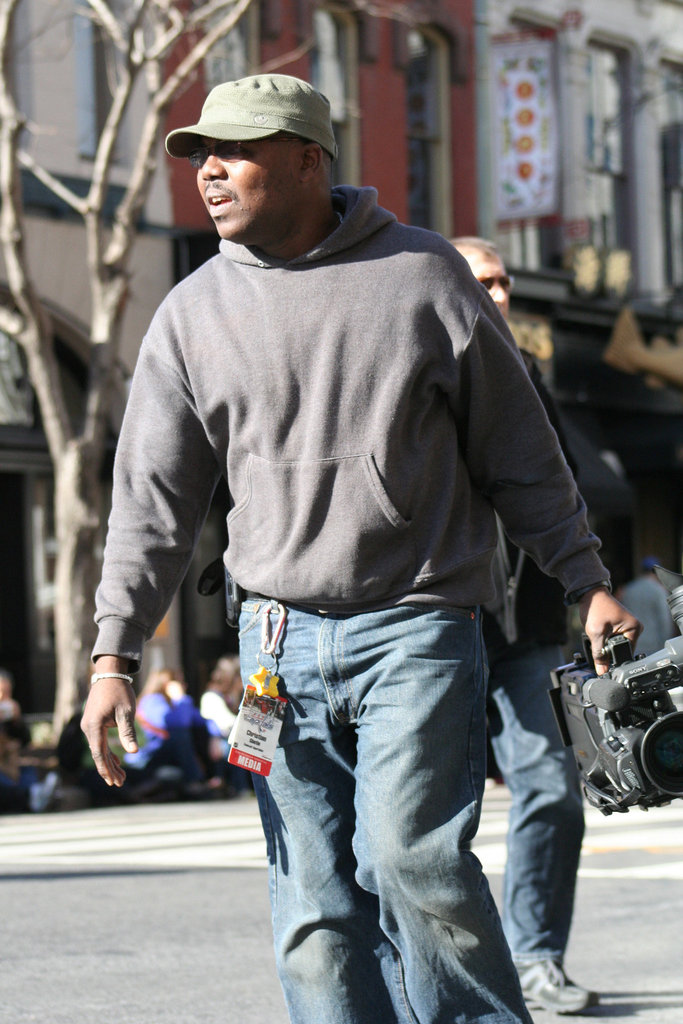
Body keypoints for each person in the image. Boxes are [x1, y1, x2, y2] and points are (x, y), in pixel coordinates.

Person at [81, 73, 640, 1024]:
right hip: (272, 646)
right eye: (200, 156)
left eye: (238, 151)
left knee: (410, 859)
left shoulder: (424, 277)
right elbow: (151, 505)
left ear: (308, 160)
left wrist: (586, 582)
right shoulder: (189, 315)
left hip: (415, 624)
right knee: (313, 906)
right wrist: (112, 655)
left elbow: (522, 456)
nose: (211, 172)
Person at [453, 236, 596, 1014]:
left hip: (526, 629)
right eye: (482, 281)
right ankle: (436, 970)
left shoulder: (528, 377)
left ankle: (536, 956)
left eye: (504, 281)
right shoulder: (419, 361)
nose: (498, 293)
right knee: (435, 816)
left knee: (551, 789)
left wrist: (588, 587)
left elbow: (561, 492)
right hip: (435, 623)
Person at [0, 668, 59, 813]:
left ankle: (34, 794)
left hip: (10, 763)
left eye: (6, 692)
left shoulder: (10, 713)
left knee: (28, 772)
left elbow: (25, 740)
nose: (2, 696)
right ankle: (32, 797)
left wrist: (17, 721)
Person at [200, 654, 250, 795]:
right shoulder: (211, 696)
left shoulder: (232, 695)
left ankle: (238, 786)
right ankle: (238, 787)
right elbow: (225, 723)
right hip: (219, 739)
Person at [618, 556, 675, 655]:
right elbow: (665, 621)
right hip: (654, 646)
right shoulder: (659, 591)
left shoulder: (628, 589)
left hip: (633, 643)